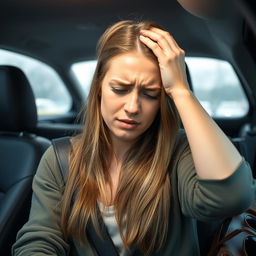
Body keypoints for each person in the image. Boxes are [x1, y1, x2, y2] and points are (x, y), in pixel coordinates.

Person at [12, 20, 255, 256]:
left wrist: (181, 91)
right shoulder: (59, 159)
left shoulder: (180, 152)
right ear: (98, 88)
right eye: (120, 89)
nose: (132, 106)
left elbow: (232, 198)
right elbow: (40, 239)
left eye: (150, 94)